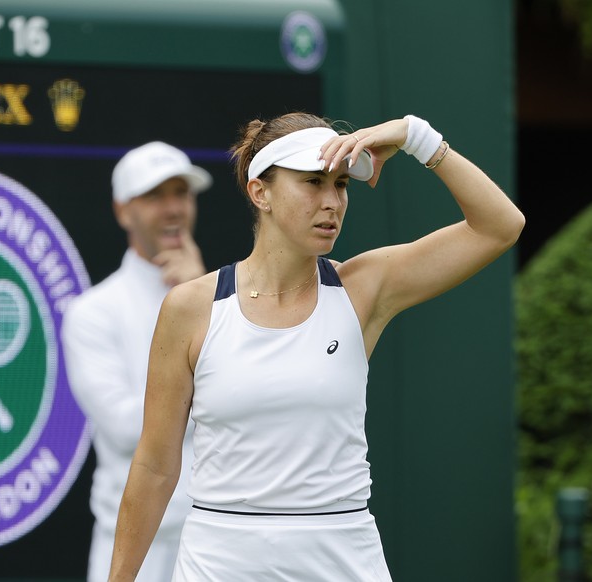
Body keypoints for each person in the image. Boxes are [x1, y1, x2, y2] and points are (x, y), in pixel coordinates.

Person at [107, 113, 525, 581]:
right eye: (312, 183)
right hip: (219, 562)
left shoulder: (363, 289)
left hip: (342, 560)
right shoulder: (190, 307)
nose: (332, 202)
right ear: (259, 192)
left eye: (341, 184)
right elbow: (155, 467)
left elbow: (500, 226)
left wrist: (417, 137)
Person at [61, 141, 213, 582]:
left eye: (180, 193)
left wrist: (201, 296)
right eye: (155, 196)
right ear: (123, 211)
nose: (172, 209)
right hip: (131, 549)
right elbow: (128, 428)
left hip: (218, 541)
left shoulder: (227, 297)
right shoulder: (92, 312)